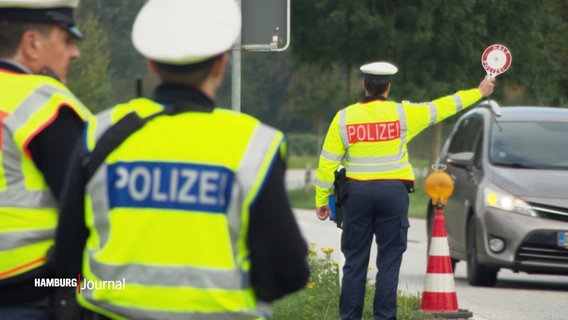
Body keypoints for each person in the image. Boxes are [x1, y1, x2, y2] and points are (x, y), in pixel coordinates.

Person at [52, 0, 310, 319]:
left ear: (152, 64)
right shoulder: (254, 145)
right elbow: (289, 271)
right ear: (220, 65)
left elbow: (65, 256)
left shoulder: (101, 132)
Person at [314, 61, 495, 320]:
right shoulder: (403, 115)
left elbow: (327, 163)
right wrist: (479, 92)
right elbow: (443, 106)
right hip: (392, 195)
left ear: (364, 85)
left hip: (357, 196)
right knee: (389, 262)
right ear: (388, 87)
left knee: (354, 262)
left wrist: (322, 199)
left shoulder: (343, 118)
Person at [0, 0, 91, 318]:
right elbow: (92, 208)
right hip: (30, 295)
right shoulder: (42, 104)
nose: (75, 53)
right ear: (32, 44)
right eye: (66, 40)